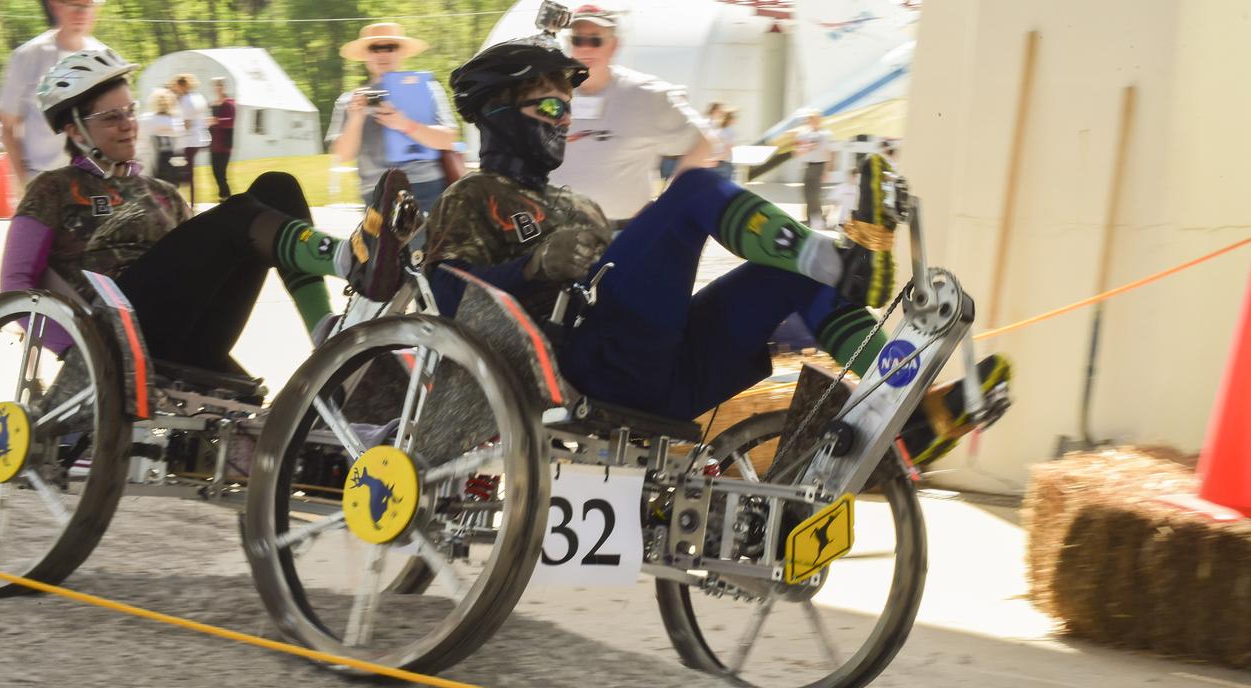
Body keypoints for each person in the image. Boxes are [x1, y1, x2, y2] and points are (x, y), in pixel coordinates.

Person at [426, 38, 1012, 466]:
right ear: (499, 117)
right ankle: (846, 265)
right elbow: (448, 295)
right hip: (581, 369)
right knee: (695, 188)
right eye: (550, 106)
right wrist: (534, 263)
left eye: (568, 107)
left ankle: (908, 416)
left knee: (786, 277)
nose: (565, 119)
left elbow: (642, 274)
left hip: (664, 375)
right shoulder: (471, 195)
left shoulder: (582, 207)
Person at [0, 49, 414, 379]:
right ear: (74, 129)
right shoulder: (53, 189)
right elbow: (15, 285)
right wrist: (76, 354)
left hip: (187, 329)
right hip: (115, 328)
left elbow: (197, 263)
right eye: (112, 117)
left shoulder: (162, 193)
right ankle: (348, 257)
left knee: (277, 187)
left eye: (130, 111)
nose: (128, 124)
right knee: (238, 214)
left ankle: (324, 330)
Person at [550, 4, 716, 227]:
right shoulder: (550, 94)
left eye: (595, 40)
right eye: (578, 40)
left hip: (620, 235)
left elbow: (704, 142)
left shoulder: (647, 95)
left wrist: (671, 199)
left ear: (614, 45)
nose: (585, 49)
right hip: (555, 234)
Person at [325, 22, 458, 216]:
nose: (382, 54)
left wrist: (405, 124)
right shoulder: (351, 101)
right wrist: (356, 118)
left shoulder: (427, 89)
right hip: (377, 195)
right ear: (366, 55)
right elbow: (342, 155)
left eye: (390, 47)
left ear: (401, 53)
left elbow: (448, 139)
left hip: (426, 190)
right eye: (375, 48)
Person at [0, 0, 108, 191]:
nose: (81, 13)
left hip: (92, 181)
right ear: (57, 6)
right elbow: (8, 129)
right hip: (42, 181)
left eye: (88, 6)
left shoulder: (105, 58)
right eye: (75, 6)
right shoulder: (27, 56)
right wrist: (25, 184)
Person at [170, 74, 210, 206]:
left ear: (181, 85)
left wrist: (173, 131)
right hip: (198, 138)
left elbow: (186, 124)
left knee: (183, 172)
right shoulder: (198, 97)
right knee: (189, 172)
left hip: (188, 140)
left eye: (176, 85)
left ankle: (186, 202)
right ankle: (191, 201)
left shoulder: (186, 101)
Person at [795, 109, 834, 229]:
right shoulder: (802, 134)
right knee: (807, 193)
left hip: (820, 166)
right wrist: (805, 148)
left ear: (820, 120)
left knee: (815, 194)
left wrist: (827, 171)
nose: (812, 121)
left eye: (815, 119)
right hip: (808, 165)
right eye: (810, 119)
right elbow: (796, 152)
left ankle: (817, 219)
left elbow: (830, 153)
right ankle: (810, 219)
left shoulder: (826, 134)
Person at [142, 88, 184, 187]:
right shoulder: (175, 121)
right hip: (173, 161)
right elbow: (180, 143)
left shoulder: (148, 120)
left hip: (156, 162)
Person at [208, 76, 236, 200]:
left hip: (224, 145)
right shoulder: (214, 104)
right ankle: (224, 197)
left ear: (223, 87)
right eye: (215, 86)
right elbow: (212, 124)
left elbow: (231, 122)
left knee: (221, 173)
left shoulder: (229, 103)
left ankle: (226, 197)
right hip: (214, 144)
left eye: (219, 85)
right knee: (215, 172)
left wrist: (216, 121)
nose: (217, 88)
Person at [708, 104, 737, 183]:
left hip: (720, 164)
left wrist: (713, 160)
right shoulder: (725, 130)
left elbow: (726, 150)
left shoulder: (724, 130)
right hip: (718, 164)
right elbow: (726, 151)